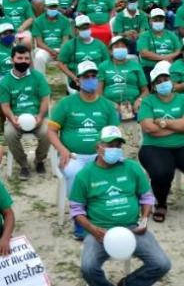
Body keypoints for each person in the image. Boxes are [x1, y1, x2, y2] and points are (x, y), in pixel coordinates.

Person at [72, 126, 171, 286]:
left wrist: (144, 219)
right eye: (110, 145)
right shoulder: (85, 175)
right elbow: (76, 210)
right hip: (100, 232)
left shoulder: (131, 167)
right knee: (88, 268)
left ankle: (128, 284)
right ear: (98, 147)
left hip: (132, 228)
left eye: (118, 146)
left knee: (162, 263)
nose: (115, 149)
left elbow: (147, 198)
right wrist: (92, 229)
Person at [47, 60, 120, 239]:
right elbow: (51, 131)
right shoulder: (66, 103)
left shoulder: (107, 105)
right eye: (86, 77)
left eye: (93, 76)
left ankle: (107, 213)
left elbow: (115, 134)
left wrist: (110, 151)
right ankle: (80, 219)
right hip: (73, 155)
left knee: (120, 168)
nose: (90, 80)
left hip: (100, 154)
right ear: (77, 81)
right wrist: (63, 150)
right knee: (74, 173)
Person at [136, 61, 184, 221]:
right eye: (158, 82)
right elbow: (149, 128)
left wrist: (163, 123)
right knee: (161, 172)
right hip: (154, 146)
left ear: (172, 81)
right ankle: (161, 203)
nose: (163, 83)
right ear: (153, 86)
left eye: (165, 79)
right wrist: (179, 127)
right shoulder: (148, 101)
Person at [0, 45, 51, 178]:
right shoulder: (5, 82)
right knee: (9, 134)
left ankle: (39, 160)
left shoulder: (38, 77)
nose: (23, 61)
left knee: (47, 132)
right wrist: (12, 119)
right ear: (12, 60)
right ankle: (23, 164)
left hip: (37, 117)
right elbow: (5, 106)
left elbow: (45, 100)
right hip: (16, 119)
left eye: (26, 58)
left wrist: (39, 117)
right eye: (19, 58)